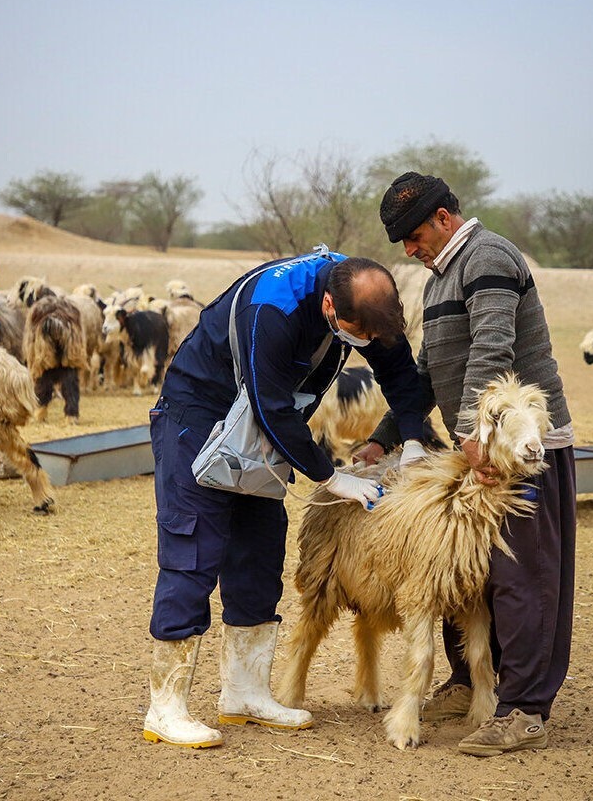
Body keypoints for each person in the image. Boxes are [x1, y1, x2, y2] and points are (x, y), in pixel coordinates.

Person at [143, 247, 428, 748]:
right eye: (358, 335)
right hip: (199, 414)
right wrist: (333, 477)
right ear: (328, 310)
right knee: (194, 550)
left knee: (259, 547)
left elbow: (401, 372)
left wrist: (413, 441)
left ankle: (244, 693)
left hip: (262, 426)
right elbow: (270, 403)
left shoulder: (366, 299)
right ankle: (166, 708)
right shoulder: (270, 308)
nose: (365, 344)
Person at [355, 172, 577, 757]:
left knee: (520, 579)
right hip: (475, 451)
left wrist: (471, 435)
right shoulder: (442, 278)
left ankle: (524, 708)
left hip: (519, 454)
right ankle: (468, 683)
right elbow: (429, 372)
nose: (408, 249)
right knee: (459, 573)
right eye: (401, 239)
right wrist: (382, 438)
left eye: (413, 234)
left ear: (444, 219)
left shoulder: (488, 259)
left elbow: (493, 350)